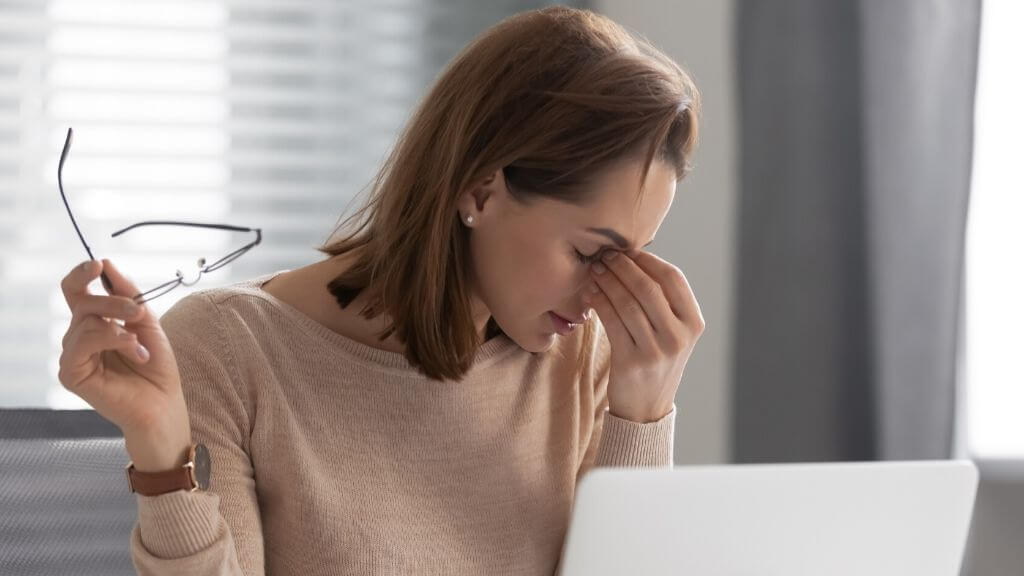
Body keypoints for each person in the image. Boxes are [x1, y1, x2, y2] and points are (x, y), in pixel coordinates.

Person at [57, 6, 704, 575]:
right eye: (592, 253)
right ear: (481, 192)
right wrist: (164, 455)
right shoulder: (232, 349)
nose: (608, 294)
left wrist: (641, 419)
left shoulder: (585, 361)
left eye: (634, 258)